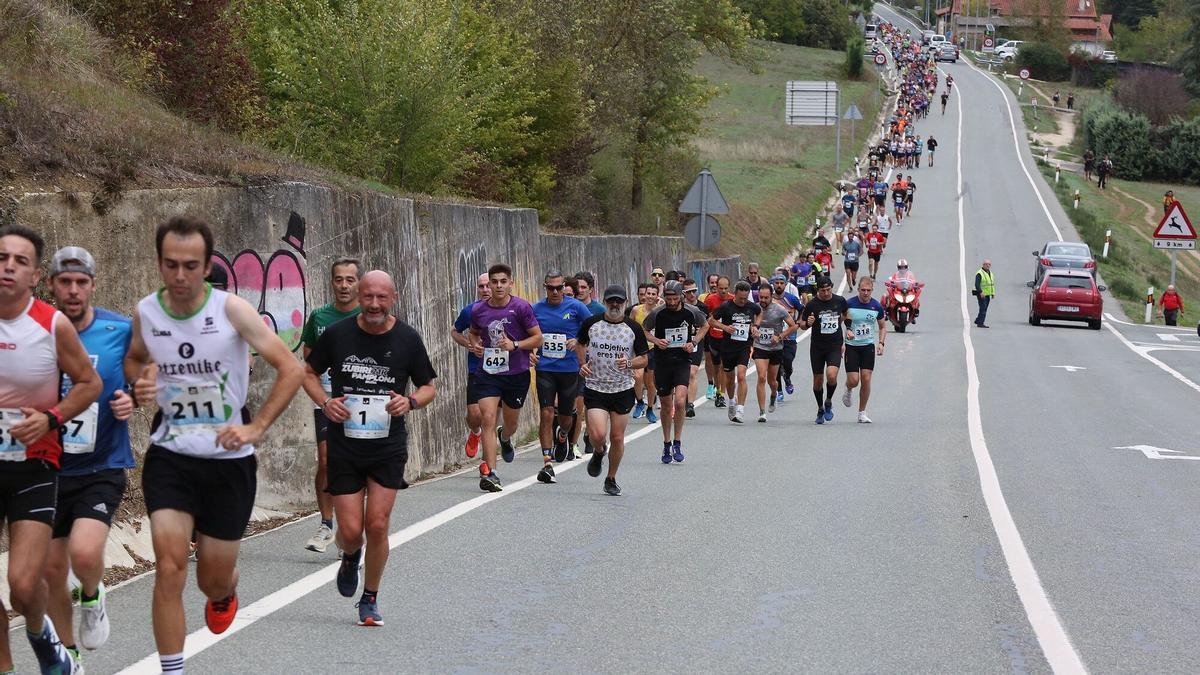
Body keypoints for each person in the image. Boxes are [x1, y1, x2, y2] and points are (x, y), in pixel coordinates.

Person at [125, 216, 303, 675]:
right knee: (169, 566)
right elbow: (135, 359)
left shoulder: (232, 311)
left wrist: (256, 427)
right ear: (159, 263)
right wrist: (141, 380)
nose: (180, 275)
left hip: (228, 461)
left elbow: (292, 368)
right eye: (170, 265)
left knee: (212, 579)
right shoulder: (147, 312)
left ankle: (224, 592)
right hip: (171, 455)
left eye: (190, 266)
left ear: (206, 267)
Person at [303, 270, 435, 627]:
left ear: (393, 298)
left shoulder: (407, 338)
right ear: (360, 296)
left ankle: (370, 597)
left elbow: (428, 386)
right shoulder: (337, 334)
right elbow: (308, 373)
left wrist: (410, 401)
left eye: (381, 298)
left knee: (377, 524)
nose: (374, 304)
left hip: (387, 446)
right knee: (350, 532)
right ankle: (350, 556)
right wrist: (325, 402)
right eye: (368, 297)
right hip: (345, 445)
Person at [0, 226, 100, 675]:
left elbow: (89, 383)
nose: (8, 267)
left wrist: (51, 418)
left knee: (23, 586)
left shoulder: (51, 324)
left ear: (35, 276)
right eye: (1, 258)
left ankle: (43, 637)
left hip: (33, 465)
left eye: (20, 261)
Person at [44, 247, 136, 663]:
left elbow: (147, 369)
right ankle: (69, 658)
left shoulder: (120, 329)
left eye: (82, 282)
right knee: (50, 572)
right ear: (51, 285)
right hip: (45, 468)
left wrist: (133, 397)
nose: (73, 290)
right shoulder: (36, 331)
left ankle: (93, 594)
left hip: (102, 464)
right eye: (65, 282)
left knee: (83, 552)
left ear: (93, 285)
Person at [299, 258, 362, 555]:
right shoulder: (319, 317)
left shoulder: (369, 315)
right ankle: (326, 524)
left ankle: (349, 530)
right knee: (326, 460)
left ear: (359, 283)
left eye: (350, 279)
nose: (344, 285)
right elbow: (308, 355)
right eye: (339, 279)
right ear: (332, 282)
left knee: (355, 465)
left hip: (361, 402)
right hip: (327, 399)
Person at [468, 263, 543, 492]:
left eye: (503, 281)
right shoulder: (479, 310)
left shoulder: (521, 307)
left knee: (510, 423)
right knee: (487, 418)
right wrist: (476, 345)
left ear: (511, 283)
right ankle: (491, 473)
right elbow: (473, 333)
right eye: (494, 282)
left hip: (516, 373)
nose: (498, 286)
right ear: (489, 285)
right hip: (488, 373)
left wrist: (515, 345)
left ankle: (506, 437)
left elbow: (538, 338)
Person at [577, 285, 649, 496]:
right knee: (598, 435)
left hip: (622, 388)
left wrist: (629, 363)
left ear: (625, 303)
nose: (615, 305)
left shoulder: (633, 328)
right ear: (605, 302)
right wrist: (582, 364)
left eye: (619, 301)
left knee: (617, 437)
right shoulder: (592, 323)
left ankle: (611, 478)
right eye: (611, 301)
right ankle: (599, 451)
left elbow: (644, 358)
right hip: (596, 387)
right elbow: (580, 344)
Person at [531, 270, 591, 481]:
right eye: (551, 288)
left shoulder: (576, 307)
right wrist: (530, 353)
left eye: (559, 288)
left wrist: (579, 339)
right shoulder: (536, 309)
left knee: (566, 418)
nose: (555, 292)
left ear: (564, 286)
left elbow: (593, 328)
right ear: (545, 287)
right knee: (547, 412)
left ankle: (563, 435)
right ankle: (547, 463)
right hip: (545, 368)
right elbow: (525, 334)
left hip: (569, 369)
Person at [642, 281, 705, 463]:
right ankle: (666, 442)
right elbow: (644, 330)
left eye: (675, 298)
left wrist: (693, 342)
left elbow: (705, 326)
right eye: (668, 298)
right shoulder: (657, 313)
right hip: (662, 362)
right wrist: (656, 341)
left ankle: (677, 441)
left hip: (682, 361)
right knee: (666, 405)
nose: (671, 302)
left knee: (679, 401)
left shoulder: (691, 311)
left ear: (681, 297)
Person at [709, 281, 762, 424]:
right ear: (735, 294)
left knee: (742, 376)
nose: (743, 301)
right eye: (740, 298)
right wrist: (724, 327)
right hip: (728, 347)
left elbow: (759, 313)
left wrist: (756, 326)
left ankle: (740, 409)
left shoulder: (751, 306)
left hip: (744, 346)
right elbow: (711, 321)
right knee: (730, 379)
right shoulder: (726, 306)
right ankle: (732, 400)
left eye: (745, 298)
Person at [450, 273, 490, 462]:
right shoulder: (470, 311)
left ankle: (488, 463)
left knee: (491, 416)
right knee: (474, 415)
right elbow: (454, 331)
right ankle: (475, 432)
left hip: (504, 370)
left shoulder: (511, 309)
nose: (485, 290)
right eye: (481, 286)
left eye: (488, 285)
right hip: (477, 369)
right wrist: (468, 343)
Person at [800, 277, 849, 425]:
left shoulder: (839, 301)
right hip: (817, 347)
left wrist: (846, 326)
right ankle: (820, 408)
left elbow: (846, 314)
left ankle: (828, 401)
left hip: (834, 345)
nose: (826, 293)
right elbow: (802, 324)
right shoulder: (812, 304)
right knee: (817, 381)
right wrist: (808, 324)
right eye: (823, 291)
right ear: (818, 290)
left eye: (828, 290)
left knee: (832, 376)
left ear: (832, 287)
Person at [842, 277, 886, 423]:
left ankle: (862, 413)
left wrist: (881, 343)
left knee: (866, 379)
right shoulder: (849, 304)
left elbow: (882, 327)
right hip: (851, 346)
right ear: (858, 290)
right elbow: (839, 322)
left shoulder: (876, 306)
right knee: (854, 380)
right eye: (863, 290)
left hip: (867, 346)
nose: (865, 293)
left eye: (868, 290)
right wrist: (841, 341)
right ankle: (849, 388)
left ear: (872, 290)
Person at [751, 285, 798, 422]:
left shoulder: (779, 309)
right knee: (761, 377)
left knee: (772, 381)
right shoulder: (754, 308)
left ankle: (773, 393)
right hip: (760, 346)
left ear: (771, 296)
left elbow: (793, 326)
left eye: (766, 297)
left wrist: (780, 336)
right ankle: (762, 412)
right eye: (761, 297)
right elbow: (748, 323)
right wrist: (753, 329)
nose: (763, 300)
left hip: (775, 348)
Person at [628, 283, 660, 423]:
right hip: (638, 349)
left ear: (657, 296)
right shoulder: (636, 310)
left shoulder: (659, 311)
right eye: (648, 293)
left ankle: (650, 408)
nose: (650, 296)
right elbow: (628, 327)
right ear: (644, 295)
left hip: (653, 349)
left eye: (653, 294)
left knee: (650, 382)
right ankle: (640, 402)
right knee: (637, 376)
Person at [770, 275, 803, 398]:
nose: (779, 285)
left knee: (788, 362)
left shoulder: (792, 298)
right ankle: (779, 391)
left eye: (781, 283)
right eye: (776, 283)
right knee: (776, 365)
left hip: (790, 337)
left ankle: (787, 377)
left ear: (785, 284)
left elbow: (802, 309)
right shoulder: (769, 299)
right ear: (773, 284)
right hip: (774, 337)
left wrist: (798, 322)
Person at [702, 276, 733, 406]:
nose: (723, 291)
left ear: (729, 287)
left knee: (723, 366)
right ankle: (717, 386)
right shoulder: (710, 299)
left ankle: (721, 394)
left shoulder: (733, 299)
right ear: (717, 288)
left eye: (726, 288)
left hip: (728, 338)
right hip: (714, 336)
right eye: (721, 288)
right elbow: (705, 316)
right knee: (716, 365)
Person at [973, 259, 995, 328]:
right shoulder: (979, 273)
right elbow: (977, 284)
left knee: (985, 308)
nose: (988, 265)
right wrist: (980, 292)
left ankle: (978, 320)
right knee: (983, 308)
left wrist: (993, 293)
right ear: (983, 265)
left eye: (989, 264)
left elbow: (991, 284)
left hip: (987, 294)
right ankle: (980, 323)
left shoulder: (990, 273)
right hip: (981, 294)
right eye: (986, 264)